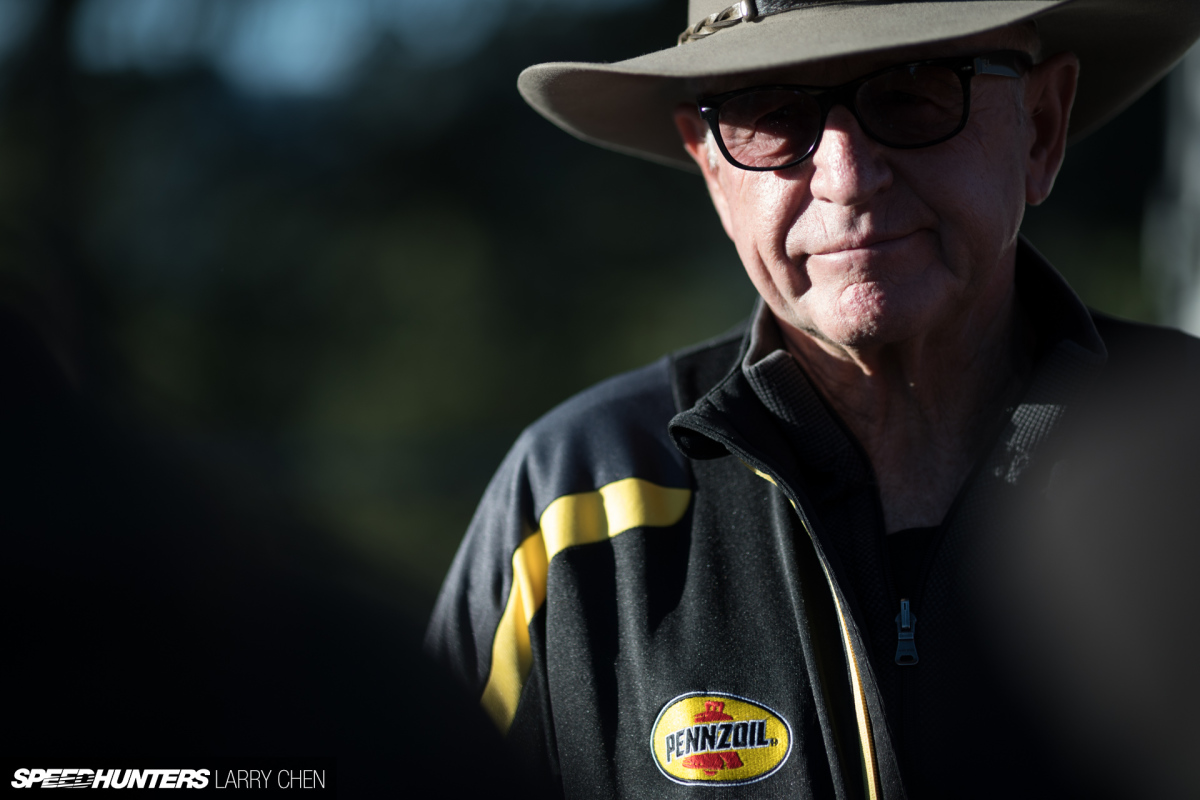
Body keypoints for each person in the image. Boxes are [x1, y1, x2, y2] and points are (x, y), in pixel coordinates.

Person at [427, 2, 1200, 797]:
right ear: (713, 171)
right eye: (772, 115)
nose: (849, 177)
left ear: (1041, 125)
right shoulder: (574, 505)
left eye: (913, 93)